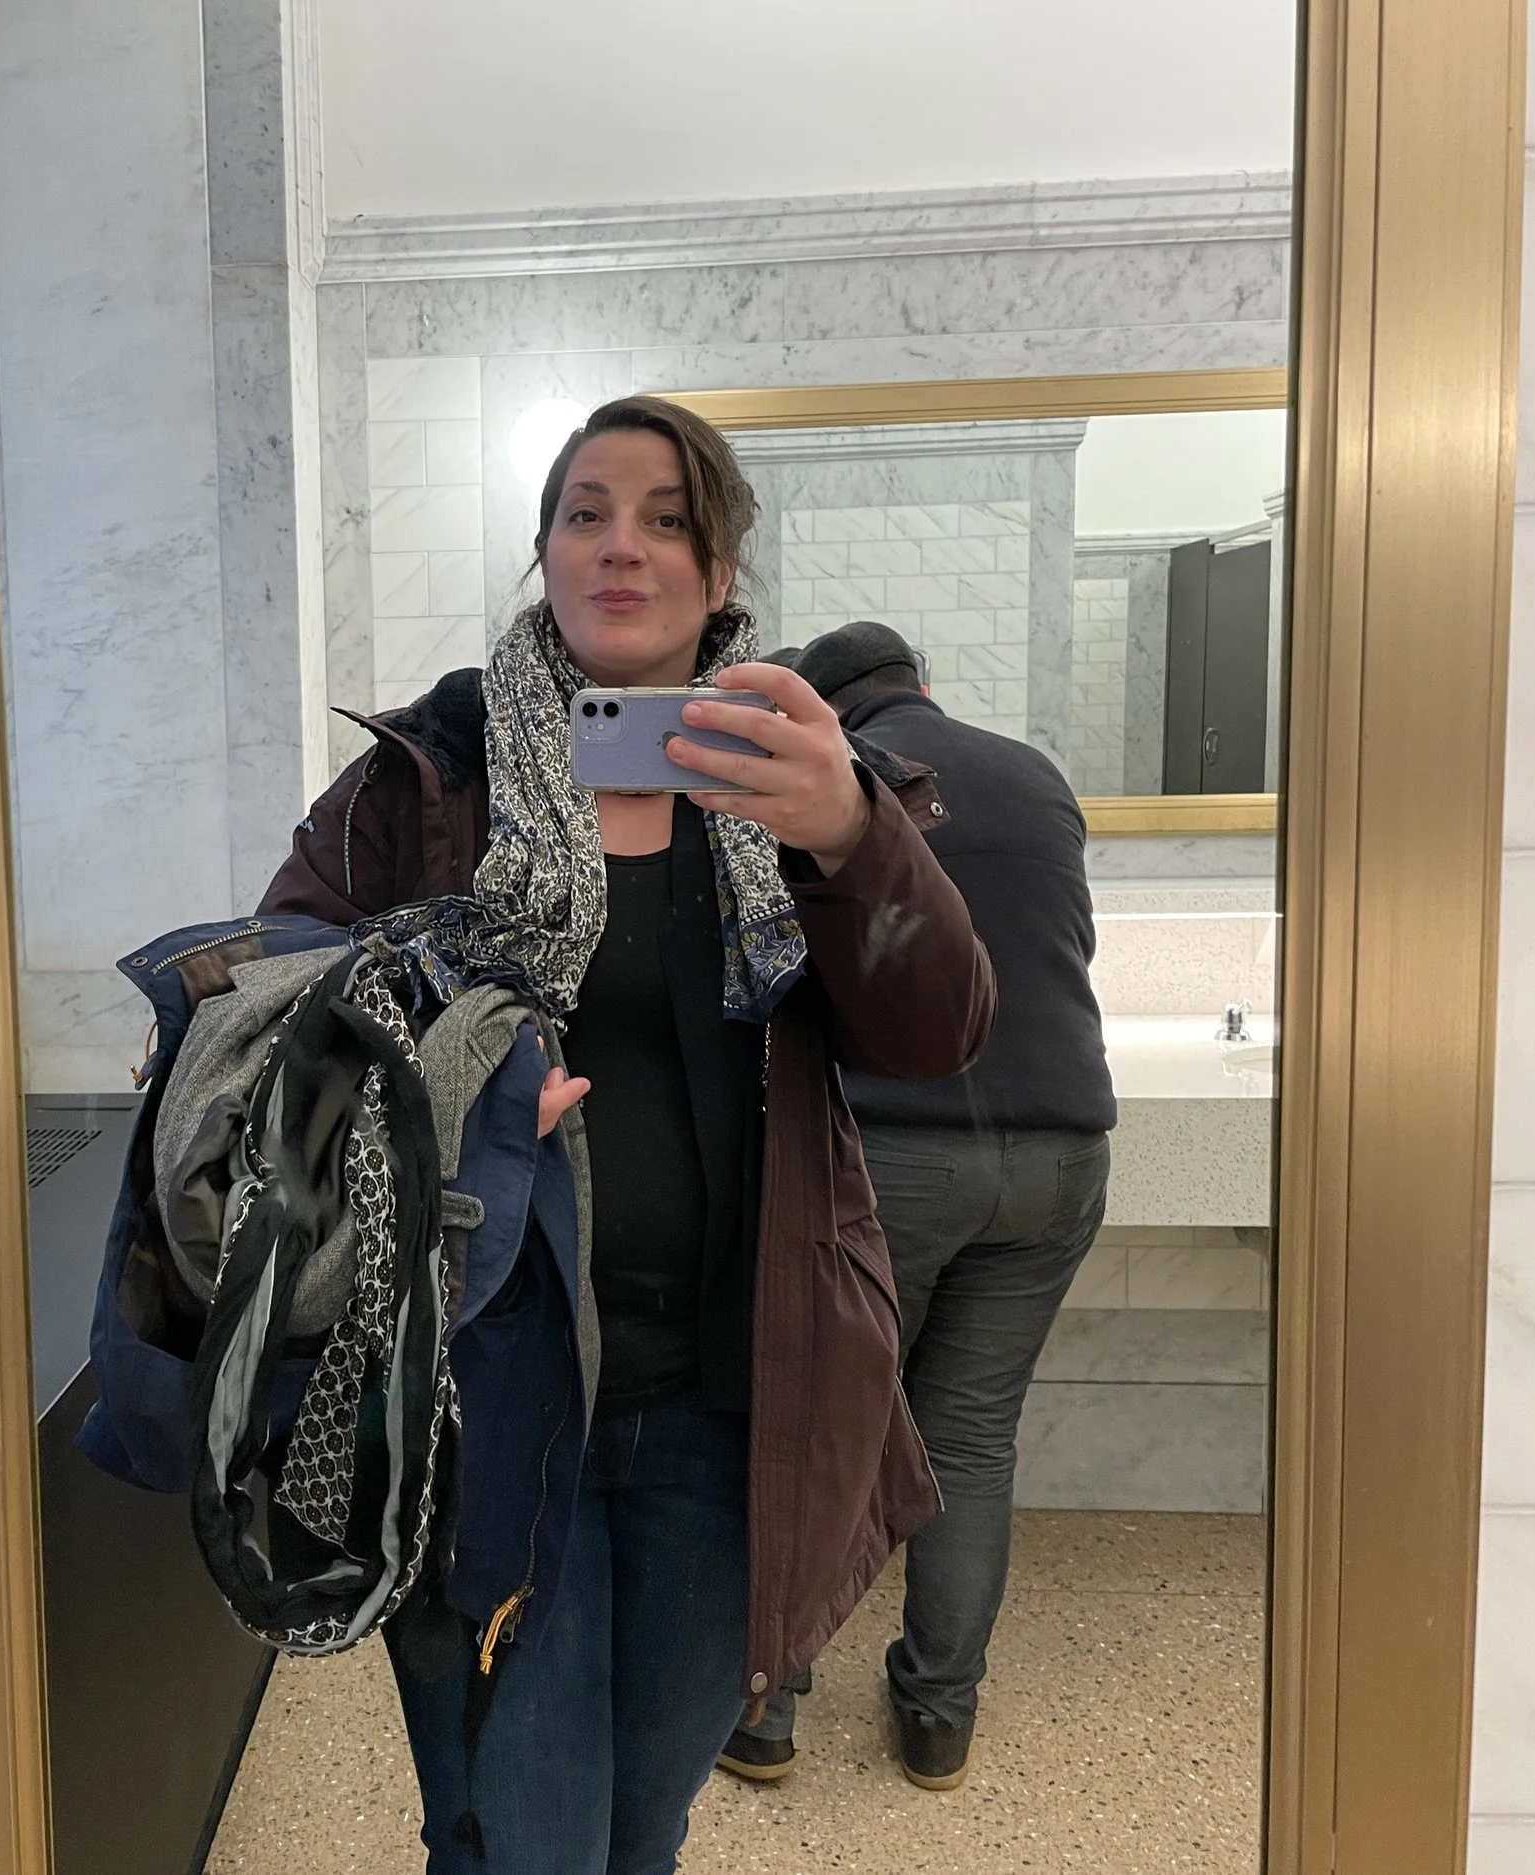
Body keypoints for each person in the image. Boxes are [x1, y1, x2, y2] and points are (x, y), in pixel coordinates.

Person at [260, 401, 996, 1875]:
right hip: (482, 1394)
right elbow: (281, 1001)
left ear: (721, 574)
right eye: (586, 512)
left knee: (643, 1828)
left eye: (668, 520)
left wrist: (851, 834)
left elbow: (938, 1031)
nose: (622, 546)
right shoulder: (431, 775)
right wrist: (448, 1087)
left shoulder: (796, 780)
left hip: (729, 1403)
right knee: (517, 1838)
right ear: (543, 550)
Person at [716, 621, 1116, 1793]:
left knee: (819, 1423)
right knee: (972, 1437)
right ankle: (938, 1715)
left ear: (822, 712)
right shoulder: (1035, 776)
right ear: (922, 686)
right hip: (1059, 1158)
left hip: (898, 1150)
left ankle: (768, 1713)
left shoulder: (836, 787)